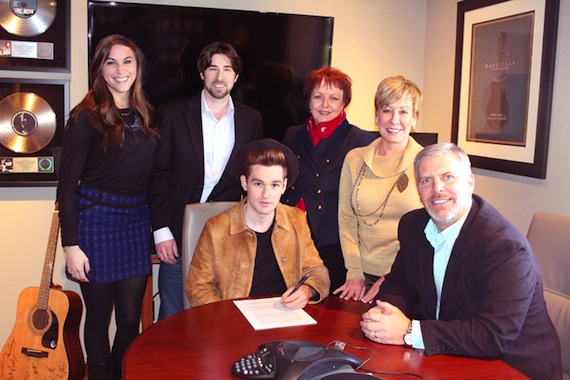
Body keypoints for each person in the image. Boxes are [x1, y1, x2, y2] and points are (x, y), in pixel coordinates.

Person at [360, 143, 563, 380]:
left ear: (469, 182)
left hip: (513, 366)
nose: (437, 189)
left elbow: (492, 336)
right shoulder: (413, 225)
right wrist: (384, 315)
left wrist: (408, 331)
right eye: (426, 180)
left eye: (448, 177)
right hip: (450, 356)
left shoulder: (504, 247)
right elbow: (399, 285)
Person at [57, 34, 158, 379]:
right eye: (110, 61)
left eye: (127, 61)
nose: (120, 69)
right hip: (95, 222)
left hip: (134, 222)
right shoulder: (85, 117)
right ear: (99, 68)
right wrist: (71, 246)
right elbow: (66, 186)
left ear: (137, 67)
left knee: (130, 318)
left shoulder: (145, 114)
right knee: (99, 318)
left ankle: (120, 372)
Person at [149, 41, 263, 319]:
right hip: (178, 231)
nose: (219, 76)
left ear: (236, 76)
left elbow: (256, 179)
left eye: (227, 69)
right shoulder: (173, 114)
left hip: (229, 233)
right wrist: (161, 230)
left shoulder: (251, 119)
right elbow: (158, 174)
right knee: (174, 312)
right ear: (202, 73)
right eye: (212, 68)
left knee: (222, 312)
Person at [186, 139, 330, 308]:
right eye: (258, 184)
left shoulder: (296, 220)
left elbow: (317, 271)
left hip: (285, 316)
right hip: (234, 322)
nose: (266, 194)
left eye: (275, 185)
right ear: (244, 183)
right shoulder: (217, 227)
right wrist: (228, 318)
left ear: (284, 186)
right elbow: (197, 287)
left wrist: (307, 290)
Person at [282, 67, 375, 292]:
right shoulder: (293, 134)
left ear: (344, 103)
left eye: (334, 98)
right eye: (318, 97)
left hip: (332, 239)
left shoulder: (361, 139)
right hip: (290, 233)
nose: (325, 104)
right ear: (309, 101)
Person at [336, 76, 424, 303]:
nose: (394, 120)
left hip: (407, 275)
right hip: (359, 274)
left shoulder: (426, 163)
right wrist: (354, 271)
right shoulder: (354, 159)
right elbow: (346, 219)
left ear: (414, 119)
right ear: (376, 116)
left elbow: (431, 230)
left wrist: (393, 276)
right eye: (387, 110)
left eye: (404, 112)